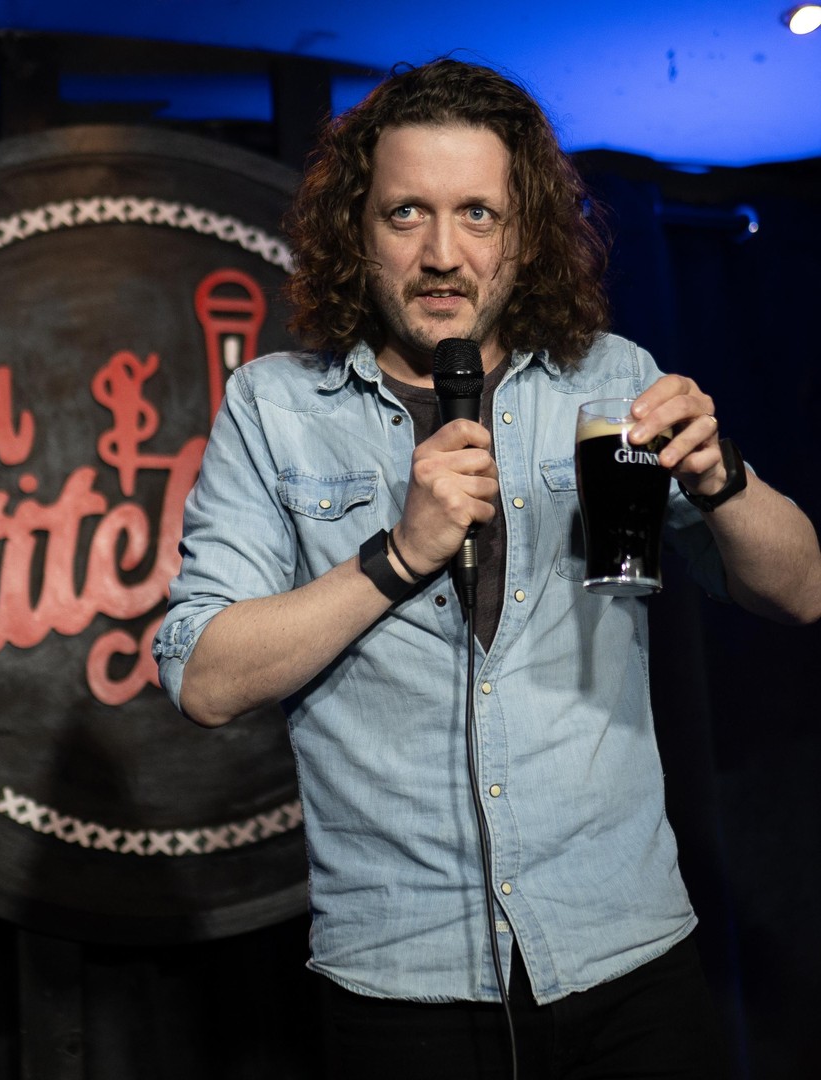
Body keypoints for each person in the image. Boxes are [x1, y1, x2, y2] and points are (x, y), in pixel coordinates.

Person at [153, 58, 821, 1078]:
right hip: (401, 980)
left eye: (478, 214)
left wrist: (723, 477)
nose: (442, 253)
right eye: (406, 213)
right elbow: (203, 678)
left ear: (525, 233)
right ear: (355, 229)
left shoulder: (612, 379)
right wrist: (397, 555)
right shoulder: (275, 407)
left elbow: (801, 591)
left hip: (626, 952)